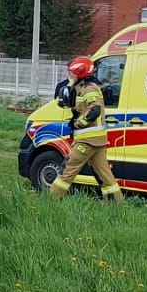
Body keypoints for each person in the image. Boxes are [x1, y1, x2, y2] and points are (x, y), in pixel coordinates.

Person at [48, 55, 122, 202]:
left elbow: (94, 109)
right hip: (97, 141)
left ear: (80, 73)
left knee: (68, 168)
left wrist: (79, 123)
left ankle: (51, 200)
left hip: (87, 141)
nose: (69, 76)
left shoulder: (89, 88)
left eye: (71, 73)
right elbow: (79, 105)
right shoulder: (82, 87)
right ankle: (117, 206)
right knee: (105, 176)